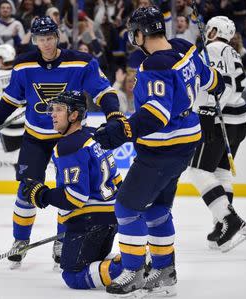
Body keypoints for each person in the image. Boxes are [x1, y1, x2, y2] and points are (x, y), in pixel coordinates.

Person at [93, 6, 225, 297]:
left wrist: (122, 131)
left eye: (134, 31)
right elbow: (211, 80)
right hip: (185, 144)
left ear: (140, 34)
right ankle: (165, 273)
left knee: (126, 207)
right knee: (156, 209)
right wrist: (218, 83)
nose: (132, 36)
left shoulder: (156, 66)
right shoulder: (185, 48)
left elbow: (156, 115)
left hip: (161, 150)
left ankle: (133, 272)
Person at [0, 16, 123, 270]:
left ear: (58, 37)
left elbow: (103, 91)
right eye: (41, 39)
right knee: (26, 190)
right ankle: (20, 241)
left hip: (69, 139)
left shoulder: (81, 62)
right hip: (35, 138)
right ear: (34, 40)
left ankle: (62, 241)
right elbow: (11, 99)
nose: (46, 44)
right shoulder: (23, 65)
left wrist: (114, 114)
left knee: (68, 192)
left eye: (50, 38)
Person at [21, 90, 124, 289]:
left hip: (89, 222)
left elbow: (75, 197)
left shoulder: (68, 146)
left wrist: (41, 194)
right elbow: (117, 180)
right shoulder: (95, 135)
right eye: (53, 109)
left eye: (59, 110)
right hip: (111, 218)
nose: (52, 114)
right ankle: (130, 259)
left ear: (74, 115)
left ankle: (130, 266)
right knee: (93, 262)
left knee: (73, 275)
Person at [186, 16, 246, 252]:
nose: (207, 32)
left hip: (219, 119)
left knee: (197, 170)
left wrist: (207, 111)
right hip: (239, 121)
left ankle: (229, 220)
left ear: (215, 30)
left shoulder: (213, 49)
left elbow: (222, 84)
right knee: (221, 172)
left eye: (210, 28)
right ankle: (220, 226)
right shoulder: (231, 51)